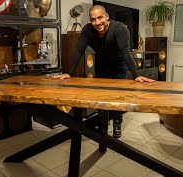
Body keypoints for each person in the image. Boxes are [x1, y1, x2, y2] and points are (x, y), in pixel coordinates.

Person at [54, 5, 155, 138]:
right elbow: (78, 51)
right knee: (101, 97)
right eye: (93, 19)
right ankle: (102, 125)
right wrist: (69, 73)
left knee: (118, 97)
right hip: (101, 65)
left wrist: (136, 75)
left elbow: (125, 53)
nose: (97, 22)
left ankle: (117, 124)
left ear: (107, 16)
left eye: (100, 18)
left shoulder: (120, 29)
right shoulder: (88, 30)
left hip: (119, 65)